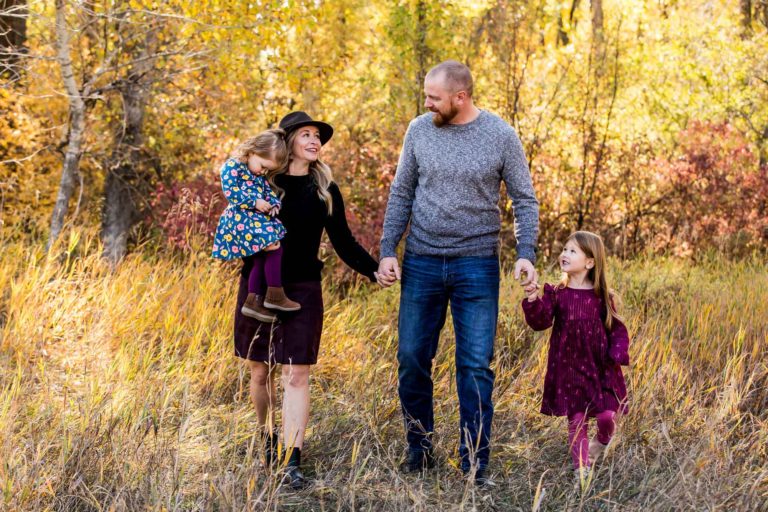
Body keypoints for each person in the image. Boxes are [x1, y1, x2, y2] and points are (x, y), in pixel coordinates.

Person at [377, 60, 540, 485]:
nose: (427, 103)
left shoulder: (501, 136)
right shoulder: (419, 130)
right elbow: (402, 191)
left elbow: (524, 200)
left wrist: (526, 252)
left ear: (460, 97)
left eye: (434, 97)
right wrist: (387, 250)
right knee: (412, 358)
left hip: (476, 264)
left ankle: (474, 463)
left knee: (474, 366)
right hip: (422, 261)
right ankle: (419, 449)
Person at [233, 111, 379, 489]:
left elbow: (343, 241)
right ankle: (267, 438)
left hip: (303, 290)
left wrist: (374, 269)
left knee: (296, 373)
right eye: (307, 135)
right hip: (259, 288)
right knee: (260, 370)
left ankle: (290, 459)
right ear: (289, 141)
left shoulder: (324, 189)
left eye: (318, 136)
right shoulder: (264, 181)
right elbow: (236, 216)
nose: (315, 141)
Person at [521, 231, 630, 486]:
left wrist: (617, 353)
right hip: (568, 369)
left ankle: (601, 443)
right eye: (565, 250)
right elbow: (540, 322)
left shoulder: (603, 297)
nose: (564, 254)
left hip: (600, 367)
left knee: (606, 418)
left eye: (572, 251)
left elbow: (618, 330)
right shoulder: (557, 293)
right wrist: (532, 298)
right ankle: (582, 472)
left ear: (590, 262)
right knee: (577, 420)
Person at [212, 129, 301, 321]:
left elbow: (268, 193)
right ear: (252, 151)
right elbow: (231, 193)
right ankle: (275, 295)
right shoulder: (232, 166)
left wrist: (274, 205)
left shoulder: (258, 176)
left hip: (253, 221)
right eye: (263, 166)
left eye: (267, 170)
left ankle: (252, 301)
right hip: (239, 220)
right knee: (275, 247)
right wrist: (255, 203)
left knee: (260, 258)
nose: (263, 171)